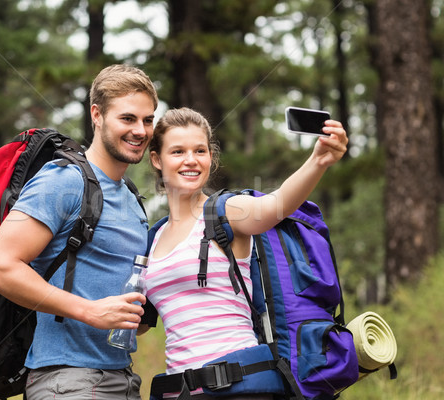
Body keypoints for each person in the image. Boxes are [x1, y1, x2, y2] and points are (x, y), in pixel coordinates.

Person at [140, 107, 348, 399]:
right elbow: (136, 324)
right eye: (177, 152)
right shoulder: (153, 237)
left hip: (240, 386)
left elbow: (275, 205)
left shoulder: (226, 210)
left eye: (200, 150)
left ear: (211, 157)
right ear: (156, 159)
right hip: (181, 391)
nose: (191, 160)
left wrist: (317, 161)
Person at [0, 64, 158, 400]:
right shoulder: (62, 180)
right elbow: (0, 267)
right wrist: (90, 311)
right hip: (67, 381)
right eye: (128, 118)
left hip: (122, 378)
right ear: (97, 115)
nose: (140, 130)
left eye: (148, 120)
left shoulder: (133, 200)